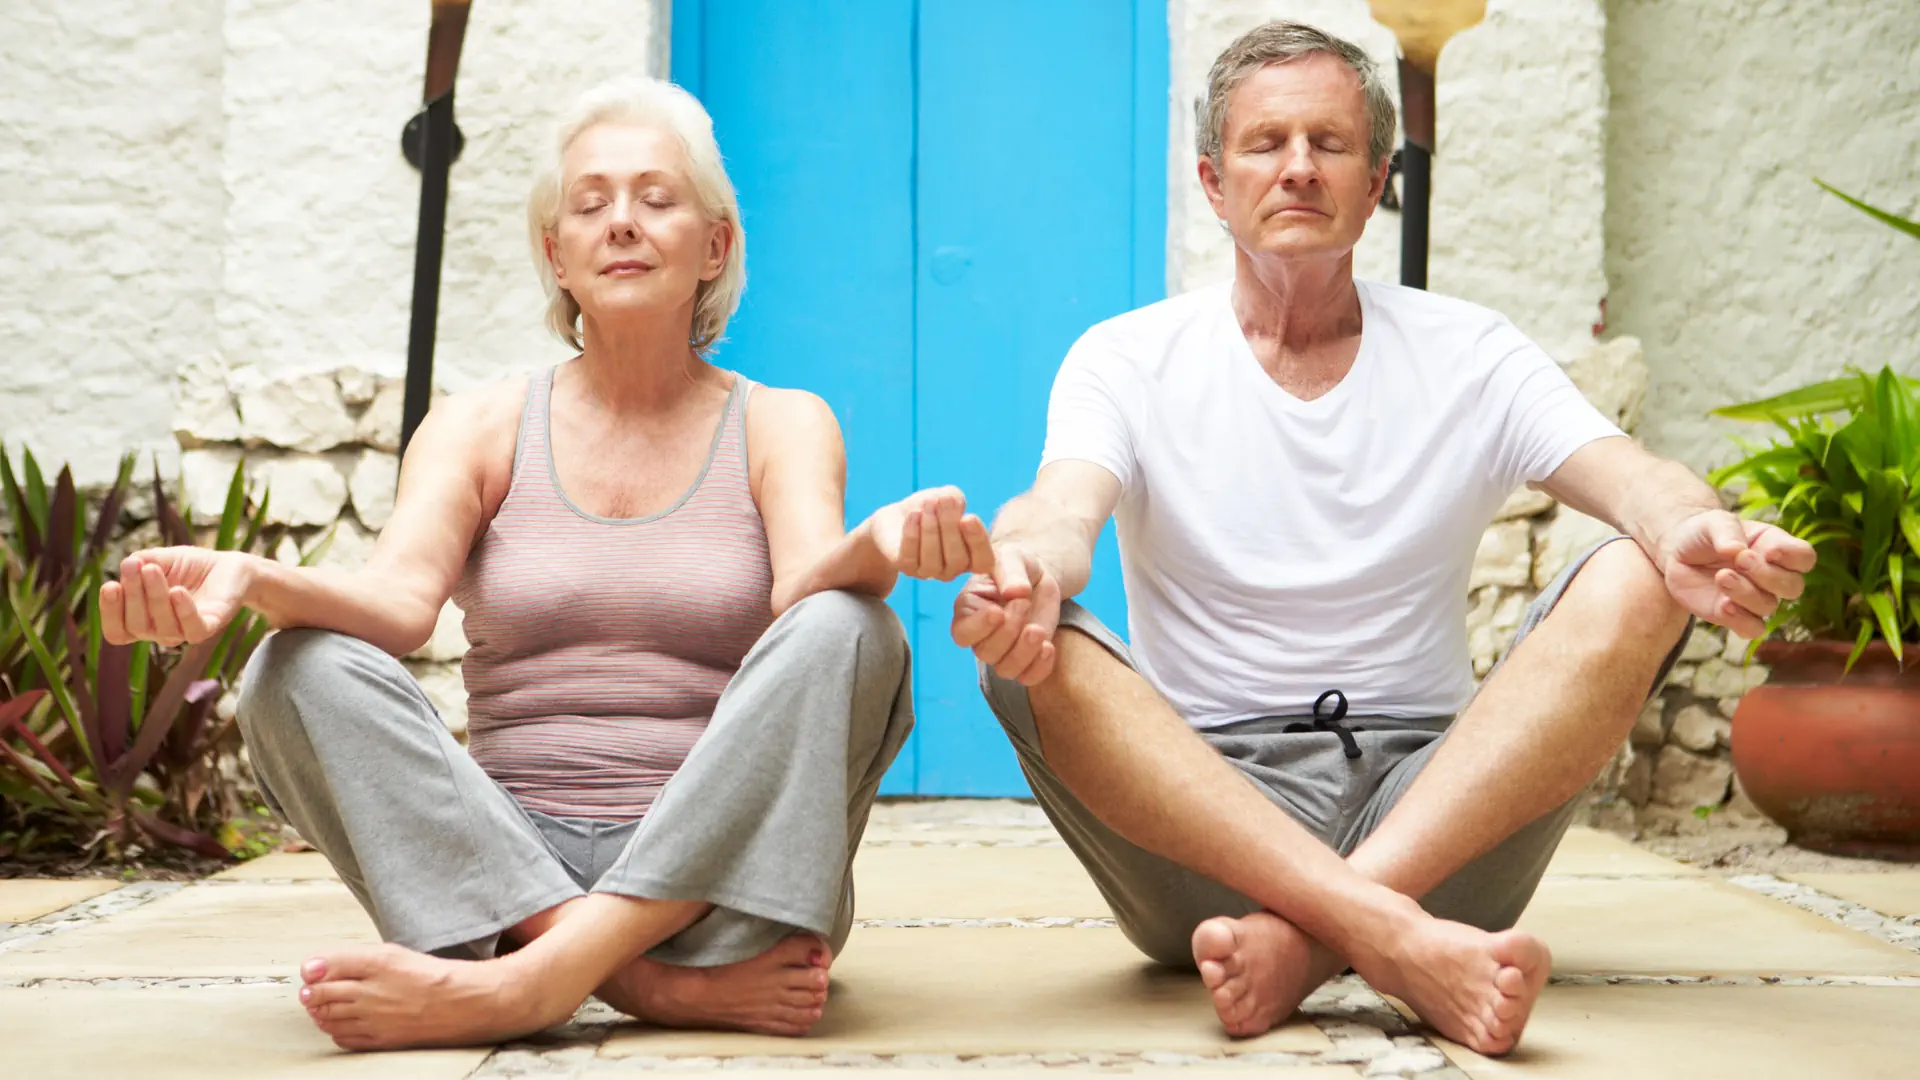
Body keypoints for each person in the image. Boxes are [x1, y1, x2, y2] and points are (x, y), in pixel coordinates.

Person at [952, 21, 1813, 1057]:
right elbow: (1058, 509)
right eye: (1267, 143)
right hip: (1206, 814)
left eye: (1332, 142)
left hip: (1445, 809)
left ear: (1379, 182)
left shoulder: (1470, 351)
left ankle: (1313, 944)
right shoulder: (1126, 359)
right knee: (1025, 651)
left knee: (1640, 576)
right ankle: (1390, 938)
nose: (1300, 168)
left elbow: (1635, 479)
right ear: (1213, 183)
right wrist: (1026, 567)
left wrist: (1688, 528)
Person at [101, 76, 992, 1052]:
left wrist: (874, 548)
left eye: (657, 199)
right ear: (553, 251)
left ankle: (532, 987)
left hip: (722, 898)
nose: (621, 223)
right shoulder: (479, 426)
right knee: (293, 664)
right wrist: (253, 579)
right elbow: (398, 606)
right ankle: (623, 979)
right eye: (590, 202)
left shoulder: (780, 422)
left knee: (850, 625)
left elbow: (800, 593)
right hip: (507, 879)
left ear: (715, 246)